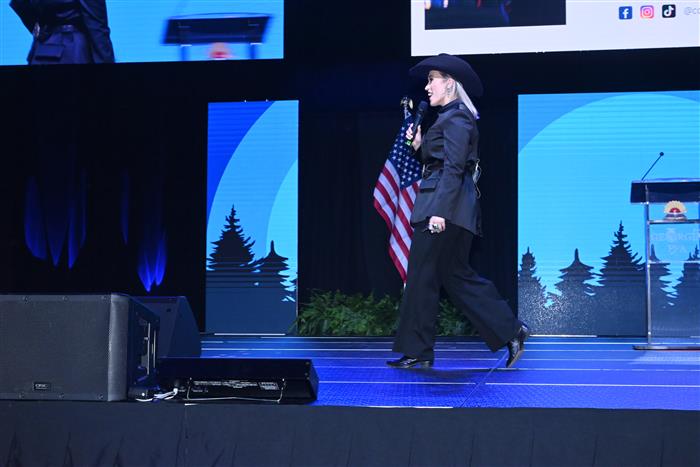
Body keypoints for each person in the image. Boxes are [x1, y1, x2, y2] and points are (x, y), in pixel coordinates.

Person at [387, 53, 528, 369]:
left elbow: (453, 168)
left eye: (432, 80)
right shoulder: (448, 118)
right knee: (455, 277)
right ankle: (511, 330)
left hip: (445, 208)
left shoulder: (458, 118)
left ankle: (419, 350)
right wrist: (420, 145)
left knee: (422, 276)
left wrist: (440, 212)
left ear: (450, 83)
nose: (427, 87)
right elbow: (438, 161)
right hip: (446, 204)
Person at [10, 0, 115, 64]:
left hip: (41, 51)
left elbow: (19, 2)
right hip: (73, 53)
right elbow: (97, 28)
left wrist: (39, 31)